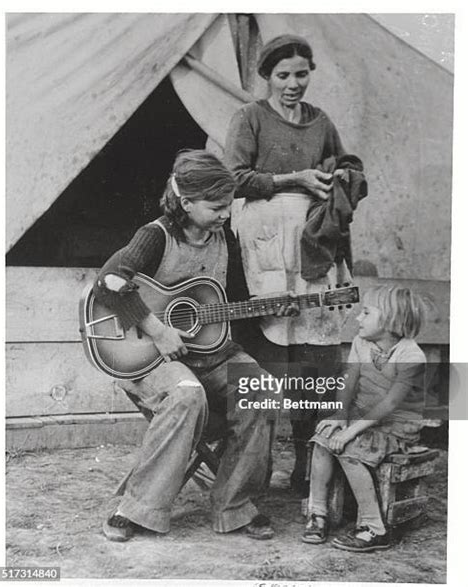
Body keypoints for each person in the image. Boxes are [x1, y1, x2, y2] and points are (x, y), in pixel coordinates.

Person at [93, 149, 296, 543]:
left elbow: (232, 301)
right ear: (186, 203)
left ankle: (236, 505)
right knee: (187, 396)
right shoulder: (155, 236)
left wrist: (273, 307)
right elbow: (111, 284)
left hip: (213, 353)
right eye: (216, 206)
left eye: (228, 206)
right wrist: (156, 328)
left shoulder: (225, 238)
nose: (225, 213)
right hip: (154, 357)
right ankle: (137, 509)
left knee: (263, 391)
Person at [224, 34, 355, 494]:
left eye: (301, 73)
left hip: (312, 250)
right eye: (283, 75)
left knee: (314, 359)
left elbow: (347, 161)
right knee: (272, 355)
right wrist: (291, 178)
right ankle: (254, 472)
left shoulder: (320, 122)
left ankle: (307, 465)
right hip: (265, 249)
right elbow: (233, 179)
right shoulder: (250, 118)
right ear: (267, 77)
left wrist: (341, 174)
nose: (293, 83)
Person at [302, 286, 427, 552]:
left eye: (366, 313)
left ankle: (374, 528)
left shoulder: (411, 356)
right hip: (363, 418)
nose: (358, 318)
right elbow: (349, 381)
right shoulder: (361, 343)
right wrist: (341, 415)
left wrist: (349, 433)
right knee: (322, 438)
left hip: (395, 427)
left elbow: (390, 404)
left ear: (391, 321)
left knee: (349, 448)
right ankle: (318, 513)